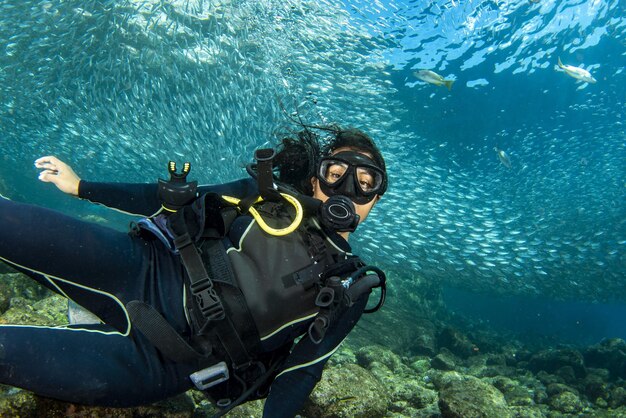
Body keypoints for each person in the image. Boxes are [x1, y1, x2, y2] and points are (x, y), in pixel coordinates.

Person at [0, 126, 388, 417]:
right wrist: (81, 187)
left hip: (168, 363)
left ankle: (85, 322)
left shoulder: (352, 285)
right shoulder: (270, 197)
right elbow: (169, 200)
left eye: (366, 183)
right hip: (140, 269)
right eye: (336, 173)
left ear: (375, 200)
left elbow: (302, 370)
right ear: (316, 178)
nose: (347, 189)